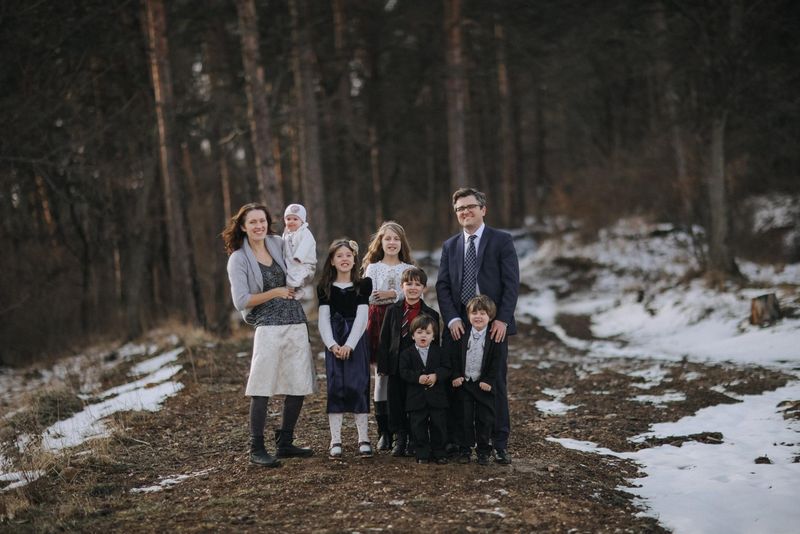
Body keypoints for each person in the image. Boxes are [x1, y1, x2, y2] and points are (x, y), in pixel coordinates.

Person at [222, 202, 316, 467]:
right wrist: (275, 292)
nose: (259, 226)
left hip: (295, 318)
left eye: (262, 221)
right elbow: (241, 300)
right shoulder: (238, 258)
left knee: (298, 383)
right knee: (262, 386)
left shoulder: (278, 243)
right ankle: (257, 447)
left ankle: (285, 442)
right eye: (252, 222)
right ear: (243, 227)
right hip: (267, 324)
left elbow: (303, 258)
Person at [435, 187, 520, 465]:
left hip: (492, 322)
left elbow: (511, 283)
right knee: (457, 382)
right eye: (460, 208)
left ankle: (499, 442)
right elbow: (442, 286)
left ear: (483, 209)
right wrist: (452, 318)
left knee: (493, 383)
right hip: (460, 322)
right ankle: (459, 442)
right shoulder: (450, 246)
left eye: (470, 206)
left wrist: (503, 319)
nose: (465, 212)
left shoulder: (501, 240)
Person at [317, 239, 374, 459]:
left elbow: (362, 318)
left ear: (354, 259)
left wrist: (350, 344)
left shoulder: (363, 285)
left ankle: (363, 438)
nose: (344, 259)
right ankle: (336, 439)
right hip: (334, 339)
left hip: (355, 340)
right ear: (332, 261)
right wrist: (332, 345)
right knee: (336, 387)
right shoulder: (325, 287)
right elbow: (323, 319)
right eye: (339, 255)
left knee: (358, 385)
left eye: (348, 255)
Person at [376, 267, 440, 457]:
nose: (413, 288)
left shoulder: (431, 314)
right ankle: (400, 438)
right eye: (409, 284)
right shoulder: (392, 310)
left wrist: (432, 370)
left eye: (417, 284)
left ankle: (415, 439)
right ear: (402, 286)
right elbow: (384, 339)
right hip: (396, 365)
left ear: (424, 288)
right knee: (395, 402)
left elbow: (436, 346)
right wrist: (383, 365)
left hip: (418, 368)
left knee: (415, 403)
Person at [362, 221, 414, 450]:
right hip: (378, 323)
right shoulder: (373, 268)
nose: (392, 243)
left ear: (402, 243)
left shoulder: (407, 268)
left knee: (401, 375)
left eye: (396, 239)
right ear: (380, 242)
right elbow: (370, 297)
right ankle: (384, 432)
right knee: (381, 375)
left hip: (402, 322)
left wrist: (391, 293)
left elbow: (412, 295)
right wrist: (395, 295)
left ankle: (403, 428)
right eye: (387, 239)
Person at [450, 295, 500, 466]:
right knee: (464, 417)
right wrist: (456, 375)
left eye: (483, 313)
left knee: (484, 419)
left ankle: (484, 451)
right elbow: (454, 357)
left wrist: (488, 380)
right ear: (468, 315)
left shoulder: (494, 337)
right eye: (474, 313)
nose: (478, 316)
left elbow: (497, 361)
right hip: (465, 383)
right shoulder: (462, 334)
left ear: (490, 316)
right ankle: (464, 449)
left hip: (483, 385)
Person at [398, 314, 451, 464]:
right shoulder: (406, 354)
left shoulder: (440, 352)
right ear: (412, 335)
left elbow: (447, 368)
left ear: (433, 336)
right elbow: (403, 372)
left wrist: (436, 376)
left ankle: (439, 452)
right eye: (419, 332)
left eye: (428, 333)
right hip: (416, 398)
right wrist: (417, 378)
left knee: (439, 426)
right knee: (418, 427)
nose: (423, 336)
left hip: (437, 398)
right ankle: (422, 453)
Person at [281, 203, 317, 300]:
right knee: (289, 279)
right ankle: (294, 292)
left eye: (295, 219)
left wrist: (299, 257)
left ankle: (301, 291)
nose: (291, 221)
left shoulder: (305, 233)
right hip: (292, 263)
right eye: (288, 219)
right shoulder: (286, 234)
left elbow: (305, 245)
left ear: (302, 221)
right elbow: (283, 246)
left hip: (305, 263)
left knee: (297, 278)